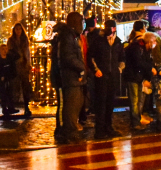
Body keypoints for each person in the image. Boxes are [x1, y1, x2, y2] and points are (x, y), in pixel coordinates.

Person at [51, 11, 86, 143]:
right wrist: (81, 67)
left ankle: (69, 130)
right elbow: (68, 57)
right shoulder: (67, 37)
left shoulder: (70, 36)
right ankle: (67, 132)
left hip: (72, 77)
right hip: (69, 77)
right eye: (81, 22)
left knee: (74, 104)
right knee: (69, 106)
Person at [87, 19, 124, 139]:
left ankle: (108, 127)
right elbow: (90, 56)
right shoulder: (98, 41)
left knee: (110, 102)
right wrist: (96, 70)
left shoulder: (118, 42)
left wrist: (119, 69)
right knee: (101, 102)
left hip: (112, 76)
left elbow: (122, 58)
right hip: (101, 76)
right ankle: (100, 129)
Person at [122, 27, 152, 130]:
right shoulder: (136, 48)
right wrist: (149, 69)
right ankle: (135, 122)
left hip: (138, 76)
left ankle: (137, 120)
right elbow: (138, 62)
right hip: (133, 76)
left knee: (139, 100)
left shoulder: (143, 49)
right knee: (134, 101)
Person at [6, 23, 33, 117]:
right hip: (14, 65)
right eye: (16, 29)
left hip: (23, 65)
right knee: (14, 86)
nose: (18, 31)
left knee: (25, 86)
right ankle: (12, 106)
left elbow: (28, 52)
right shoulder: (11, 41)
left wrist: (28, 63)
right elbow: (9, 52)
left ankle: (26, 107)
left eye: (20, 29)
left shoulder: (25, 40)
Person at [79, 17, 99, 126]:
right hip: (90, 66)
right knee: (91, 89)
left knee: (91, 89)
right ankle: (93, 108)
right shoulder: (90, 36)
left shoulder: (89, 37)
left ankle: (92, 107)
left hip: (90, 66)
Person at [0, 45, 18, 115]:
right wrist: (0, 76)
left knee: (10, 93)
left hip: (9, 78)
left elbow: (17, 57)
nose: (5, 51)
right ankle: (4, 109)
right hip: (2, 79)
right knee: (3, 94)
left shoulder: (9, 59)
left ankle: (11, 107)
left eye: (6, 49)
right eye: (3, 49)